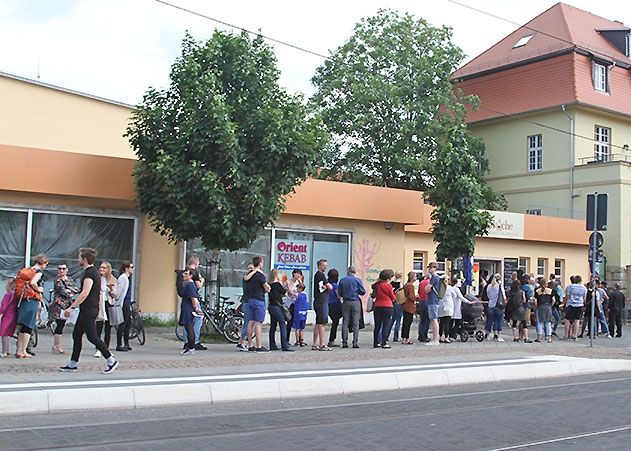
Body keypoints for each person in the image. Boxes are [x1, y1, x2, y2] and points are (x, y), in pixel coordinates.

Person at [59, 247, 118, 374]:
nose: (78, 259)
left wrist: (71, 307)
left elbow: (85, 293)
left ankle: (111, 359)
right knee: (77, 335)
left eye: (79, 257)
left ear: (84, 259)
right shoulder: (92, 272)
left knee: (92, 336)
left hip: (89, 310)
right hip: (88, 309)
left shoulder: (90, 273)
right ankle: (72, 363)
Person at [15, 254, 47, 358]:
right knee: (28, 326)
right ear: (43, 263)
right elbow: (33, 282)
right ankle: (24, 351)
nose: (45, 267)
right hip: (31, 300)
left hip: (23, 299)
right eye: (46, 264)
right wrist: (39, 290)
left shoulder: (28, 269)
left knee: (22, 326)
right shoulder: (38, 272)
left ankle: (19, 350)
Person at [50, 263, 79, 354]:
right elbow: (64, 291)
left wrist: (72, 291)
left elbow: (75, 288)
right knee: (60, 324)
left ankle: (57, 345)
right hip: (59, 306)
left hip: (68, 305)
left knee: (62, 324)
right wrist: (71, 291)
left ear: (67, 270)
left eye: (63, 268)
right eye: (59, 269)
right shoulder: (57, 280)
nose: (61, 270)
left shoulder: (69, 279)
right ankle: (56, 346)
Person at [244, 256, 271, 353]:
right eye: (262, 262)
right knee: (258, 323)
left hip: (250, 299)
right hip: (259, 300)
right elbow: (267, 288)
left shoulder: (250, 274)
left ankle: (250, 345)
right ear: (259, 263)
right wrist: (267, 288)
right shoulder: (260, 275)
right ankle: (259, 346)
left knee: (250, 322)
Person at [337, 265, 366, 349]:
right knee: (355, 322)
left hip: (346, 301)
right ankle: (355, 342)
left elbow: (340, 293)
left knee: (345, 322)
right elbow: (363, 292)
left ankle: (345, 342)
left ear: (347, 271)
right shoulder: (357, 280)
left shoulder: (342, 280)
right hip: (355, 301)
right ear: (354, 272)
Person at [94, 262, 117, 357]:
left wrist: (111, 289)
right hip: (99, 303)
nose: (101, 269)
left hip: (108, 303)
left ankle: (106, 348)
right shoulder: (97, 278)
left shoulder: (112, 279)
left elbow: (115, 294)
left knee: (108, 326)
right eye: (100, 267)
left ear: (108, 269)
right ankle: (98, 348)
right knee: (99, 325)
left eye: (104, 268)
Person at [185, 256, 207, 351]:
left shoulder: (185, 271)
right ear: (196, 263)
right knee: (199, 319)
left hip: (186, 298)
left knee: (188, 321)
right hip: (193, 297)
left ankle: (187, 341)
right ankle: (195, 341)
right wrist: (202, 280)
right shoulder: (195, 272)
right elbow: (198, 285)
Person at [267, 269, 292, 352]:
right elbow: (284, 291)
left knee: (273, 326)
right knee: (282, 324)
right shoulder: (277, 284)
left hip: (271, 306)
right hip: (277, 306)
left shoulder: (269, 284)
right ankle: (285, 345)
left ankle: (272, 344)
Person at [179, 269, 201, 355]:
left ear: (191, 276)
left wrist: (196, 308)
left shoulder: (190, 285)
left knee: (189, 328)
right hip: (187, 307)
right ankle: (190, 347)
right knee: (188, 327)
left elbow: (193, 297)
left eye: (186, 274)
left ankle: (191, 347)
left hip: (188, 308)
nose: (184, 275)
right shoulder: (189, 284)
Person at [372, 269, 396, 348]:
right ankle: (384, 342)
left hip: (377, 306)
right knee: (386, 325)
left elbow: (373, 295)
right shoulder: (388, 285)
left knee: (377, 325)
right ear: (387, 278)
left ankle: (376, 342)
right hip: (387, 306)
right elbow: (393, 297)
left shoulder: (376, 285)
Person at [448, 277, 477, 341]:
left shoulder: (452, 288)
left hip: (454, 307)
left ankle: (450, 334)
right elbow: (461, 297)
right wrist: (468, 302)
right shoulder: (456, 289)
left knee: (452, 322)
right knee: (458, 322)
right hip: (456, 308)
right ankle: (452, 334)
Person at [312, 259, 333, 351]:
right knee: (322, 323)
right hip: (321, 301)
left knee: (318, 323)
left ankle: (314, 343)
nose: (325, 267)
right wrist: (327, 287)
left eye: (326, 265)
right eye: (324, 265)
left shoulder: (317, 275)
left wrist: (326, 287)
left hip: (319, 301)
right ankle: (322, 344)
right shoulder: (320, 275)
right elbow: (330, 287)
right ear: (319, 266)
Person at [115, 261, 134, 352]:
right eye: (131, 267)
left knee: (128, 323)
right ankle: (119, 344)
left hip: (127, 302)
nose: (132, 269)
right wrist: (118, 301)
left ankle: (126, 343)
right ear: (126, 268)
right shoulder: (123, 278)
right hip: (123, 303)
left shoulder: (127, 278)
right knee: (123, 324)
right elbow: (119, 291)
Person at [236, 263, 254, 352]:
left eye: (251, 268)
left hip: (247, 301)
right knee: (248, 323)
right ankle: (242, 342)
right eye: (249, 268)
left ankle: (243, 342)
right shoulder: (246, 277)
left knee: (248, 323)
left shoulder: (250, 278)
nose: (250, 269)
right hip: (247, 301)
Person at [484, 273, 506, 342]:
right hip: (498, 305)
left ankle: (487, 335)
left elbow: (488, 295)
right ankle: (498, 335)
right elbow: (503, 295)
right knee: (498, 320)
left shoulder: (489, 286)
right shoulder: (499, 286)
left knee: (489, 320)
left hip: (491, 305)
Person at [563, 275, 586, 340]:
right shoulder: (583, 288)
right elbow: (584, 298)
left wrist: (565, 304)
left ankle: (566, 335)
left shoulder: (570, 287)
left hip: (570, 305)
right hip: (579, 305)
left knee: (567, 320)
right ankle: (575, 335)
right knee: (577, 320)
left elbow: (567, 296)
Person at [424, 263, 442, 346]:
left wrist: (427, 288)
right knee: (433, 320)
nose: (429, 269)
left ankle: (435, 339)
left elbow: (427, 289)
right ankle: (435, 339)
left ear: (434, 268)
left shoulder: (434, 277)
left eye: (430, 268)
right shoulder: (435, 278)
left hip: (433, 301)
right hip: (433, 301)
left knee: (434, 320)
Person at [284, 269, 303, 343]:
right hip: (289, 303)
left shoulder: (298, 282)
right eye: (297, 273)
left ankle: (299, 340)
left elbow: (302, 291)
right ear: (293, 274)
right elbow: (288, 292)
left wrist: (301, 282)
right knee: (289, 321)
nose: (298, 275)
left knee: (297, 321)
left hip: (297, 303)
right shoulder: (288, 282)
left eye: (300, 274)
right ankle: (286, 339)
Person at [0, 278, 18, 358]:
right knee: (9, 333)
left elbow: (3, 307)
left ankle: (5, 351)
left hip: (7, 316)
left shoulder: (8, 295)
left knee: (4, 333)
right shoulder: (17, 295)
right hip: (15, 315)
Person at [534, 278, 555, 343]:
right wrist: (551, 305)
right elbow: (554, 300)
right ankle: (549, 338)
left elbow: (535, 300)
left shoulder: (537, 290)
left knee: (539, 322)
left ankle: (539, 337)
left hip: (540, 307)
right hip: (548, 307)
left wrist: (536, 306)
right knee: (548, 323)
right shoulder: (551, 290)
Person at [326, 268, 342, 347]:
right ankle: (332, 340)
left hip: (328, 304)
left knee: (334, 322)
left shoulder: (327, 284)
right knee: (335, 322)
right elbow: (338, 296)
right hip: (335, 304)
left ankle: (332, 340)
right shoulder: (335, 285)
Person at [400, 272, 417, 345]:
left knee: (405, 322)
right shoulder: (410, 286)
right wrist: (416, 298)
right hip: (409, 306)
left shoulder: (406, 285)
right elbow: (411, 296)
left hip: (404, 305)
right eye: (415, 276)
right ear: (412, 277)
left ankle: (403, 338)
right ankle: (406, 338)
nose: (416, 278)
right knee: (408, 323)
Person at [388, 272, 403, 342]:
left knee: (391, 320)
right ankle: (396, 337)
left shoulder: (391, 283)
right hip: (398, 302)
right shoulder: (400, 284)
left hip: (392, 302)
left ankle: (386, 335)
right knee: (398, 320)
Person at [438, 278, 454, 343]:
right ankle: (446, 337)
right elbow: (454, 295)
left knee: (441, 323)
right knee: (447, 323)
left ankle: (441, 337)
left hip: (441, 306)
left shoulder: (439, 288)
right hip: (448, 307)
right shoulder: (449, 288)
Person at [417, 273, 430, 342]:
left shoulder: (421, 282)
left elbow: (419, 292)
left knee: (422, 320)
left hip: (421, 301)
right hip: (427, 301)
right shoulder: (430, 283)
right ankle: (424, 335)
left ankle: (420, 335)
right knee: (427, 320)